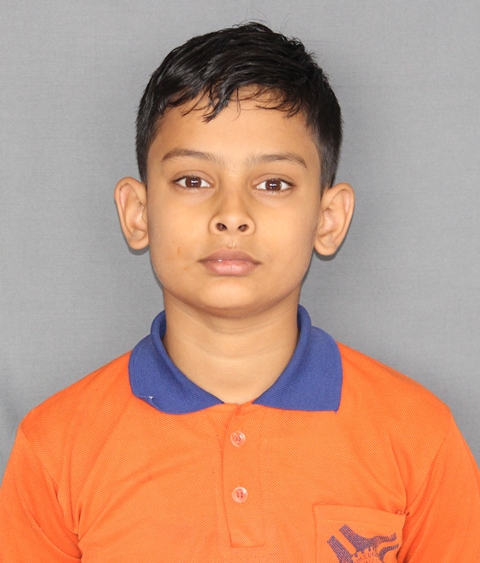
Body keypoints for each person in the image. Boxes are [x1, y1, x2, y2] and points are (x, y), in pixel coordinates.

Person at [1, 22, 479, 562]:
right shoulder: (56, 447)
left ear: (328, 219)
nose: (231, 215)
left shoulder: (418, 437)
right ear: (138, 213)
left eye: (273, 184)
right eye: (193, 180)